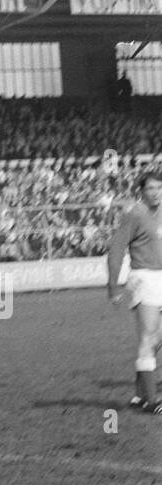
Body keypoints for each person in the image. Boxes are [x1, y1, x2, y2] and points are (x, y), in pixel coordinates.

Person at [107, 169, 162, 414]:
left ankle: (140, 395)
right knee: (148, 337)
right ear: (141, 191)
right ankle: (151, 401)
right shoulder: (134, 214)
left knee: (157, 339)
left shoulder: (161, 212)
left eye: (159, 188)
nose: (156, 193)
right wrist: (113, 285)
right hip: (144, 278)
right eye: (150, 188)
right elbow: (117, 249)